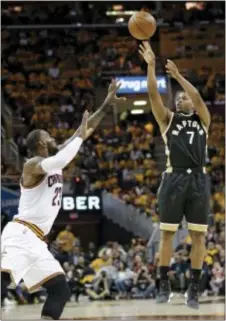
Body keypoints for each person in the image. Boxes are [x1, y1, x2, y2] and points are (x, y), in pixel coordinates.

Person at [1, 80, 125, 319]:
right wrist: (78, 134)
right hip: (21, 233)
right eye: (48, 136)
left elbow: (84, 132)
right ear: (40, 143)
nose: (53, 137)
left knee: (60, 290)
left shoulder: (56, 157)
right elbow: (65, 155)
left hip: (36, 240)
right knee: (3, 281)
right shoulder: (32, 165)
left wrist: (107, 103)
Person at [139, 42, 211, 309]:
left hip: (199, 180)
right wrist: (150, 66)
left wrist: (179, 76)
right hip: (174, 178)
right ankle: (163, 284)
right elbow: (153, 95)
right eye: (179, 97)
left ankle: (193, 288)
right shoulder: (168, 119)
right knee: (167, 235)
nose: (183, 98)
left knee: (199, 237)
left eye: (186, 97)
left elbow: (200, 98)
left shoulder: (203, 119)